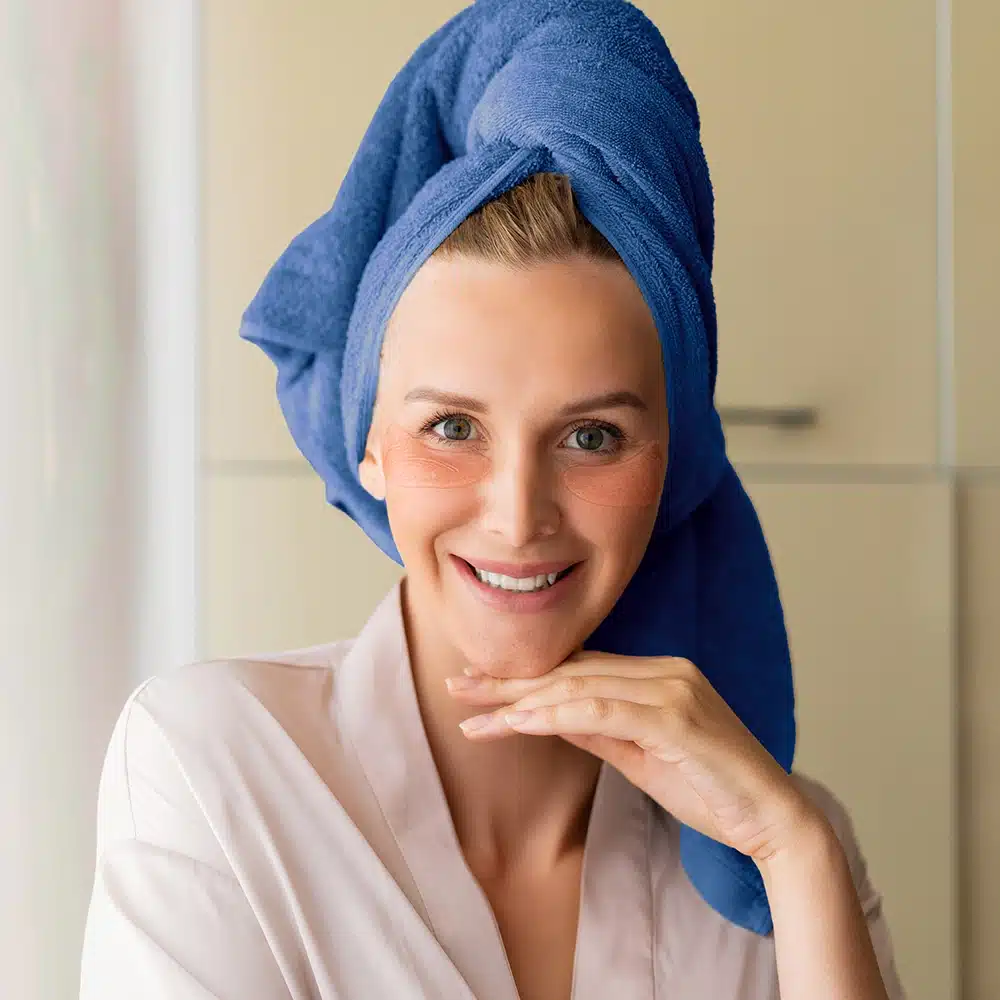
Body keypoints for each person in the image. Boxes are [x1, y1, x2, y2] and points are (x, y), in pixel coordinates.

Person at [80, 2, 909, 997]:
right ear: (369, 444)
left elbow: (790, 845)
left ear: (673, 461)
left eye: (591, 436)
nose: (519, 516)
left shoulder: (777, 841)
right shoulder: (212, 767)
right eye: (451, 427)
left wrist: (795, 849)